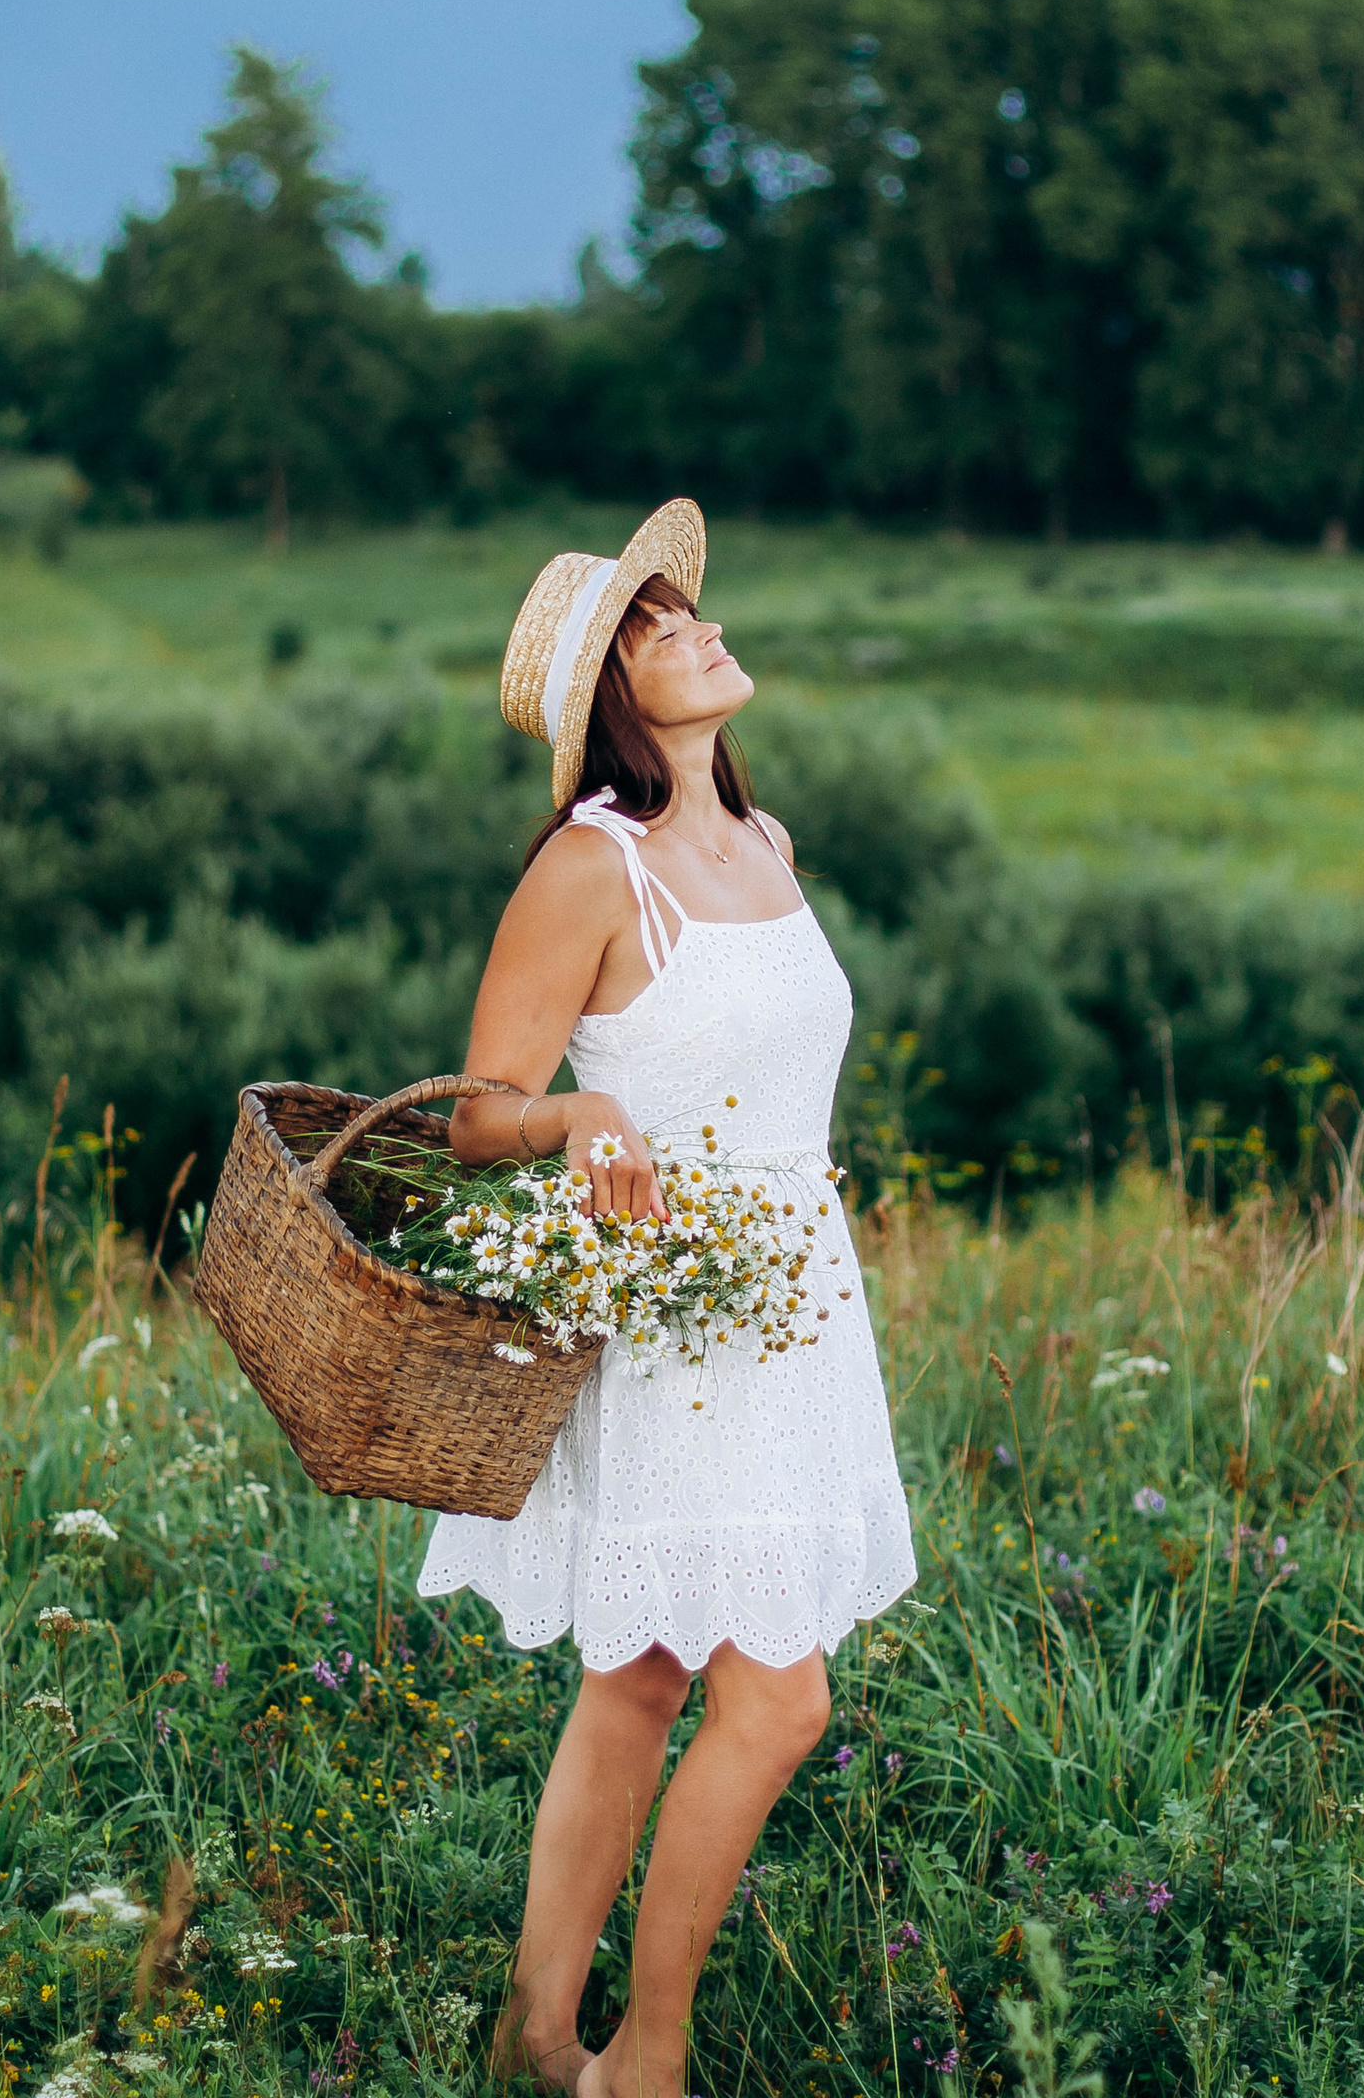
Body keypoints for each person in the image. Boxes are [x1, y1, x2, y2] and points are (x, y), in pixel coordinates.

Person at [417, 498, 918, 2098]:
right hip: (674, 1318)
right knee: (775, 1705)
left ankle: (531, 2036)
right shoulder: (591, 868)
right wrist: (582, 1114)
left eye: (683, 608)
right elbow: (476, 1113)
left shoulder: (764, 847)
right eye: (652, 628)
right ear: (613, 704)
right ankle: (652, 2054)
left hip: (794, 1311)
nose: (694, 624)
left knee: (641, 1679)